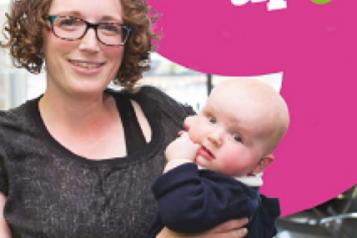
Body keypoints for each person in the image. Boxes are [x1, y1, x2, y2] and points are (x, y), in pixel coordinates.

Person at [0, 0, 249, 237]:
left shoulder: (165, 115)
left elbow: (244, 207)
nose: (90, 44)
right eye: (68, 22)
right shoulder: (5, 141)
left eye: (109, 27)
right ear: (37, 31)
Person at [146, 78, 290, 238]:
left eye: (237, 137)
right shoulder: (225, 177)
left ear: (259, 164)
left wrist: (178, 161)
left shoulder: (231, 195)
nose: (214, 136)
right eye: (212, 120)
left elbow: (179, 213)